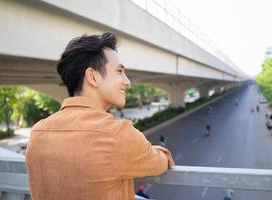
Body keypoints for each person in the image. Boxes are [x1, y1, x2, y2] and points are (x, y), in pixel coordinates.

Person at [25, 32, 175, 200]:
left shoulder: (38, 133)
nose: (127, 81)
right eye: (119, 71)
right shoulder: (117, 134)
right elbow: (162, 162)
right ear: (93, 77)